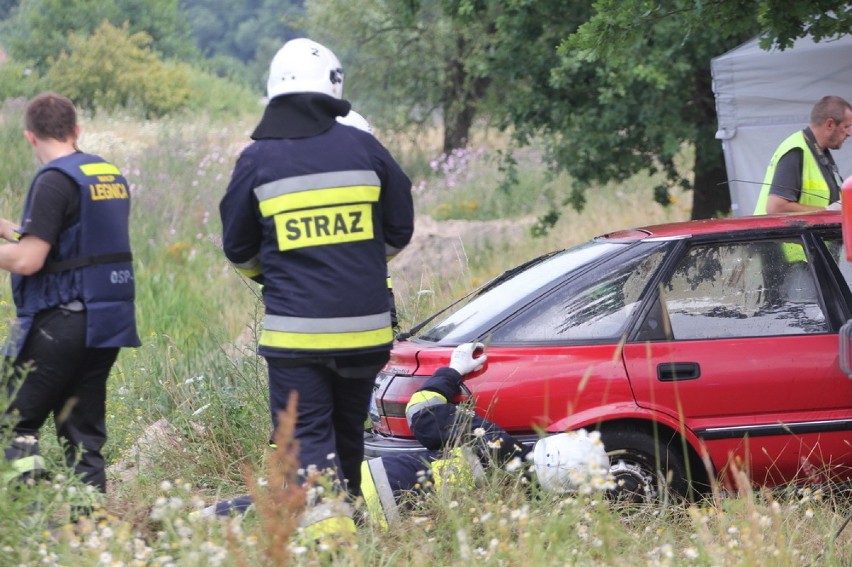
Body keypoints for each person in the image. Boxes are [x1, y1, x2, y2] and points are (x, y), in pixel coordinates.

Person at [218, 38, 414, 535]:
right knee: (349, 435)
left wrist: (276, 276)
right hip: (366, 335)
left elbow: (238, 249)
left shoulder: (257, 160)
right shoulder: (366, 148)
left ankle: (331, 542)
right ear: (333, 87)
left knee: (306, 443)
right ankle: (356, 526)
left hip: (297, 339)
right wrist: (358, 262)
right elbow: (398, 231)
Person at [198, 344, 610, 533]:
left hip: (378, 482)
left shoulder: (495, 444)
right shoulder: (530, 513)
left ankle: (197, 522)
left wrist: (453, 371)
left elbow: (422, 411)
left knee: (283, 509)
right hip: (386, 522)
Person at [0, 92, 140, 495]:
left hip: (62, 319)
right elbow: (79, 242)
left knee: (13, 421)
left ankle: (26, 520)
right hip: (107, 321)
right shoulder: (105, 174)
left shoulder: (53, 179)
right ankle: (88, 527)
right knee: (81, 431)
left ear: (30, 137)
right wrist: (9, 227)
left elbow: (29, 260)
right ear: (76, 130)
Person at [754, 95, 852, 214]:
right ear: (830, 124)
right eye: (846, 127)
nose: (849, 133)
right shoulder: (796, 151)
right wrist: (827, 211)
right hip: (777, 232)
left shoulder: (820, 152)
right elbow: (775, 208)